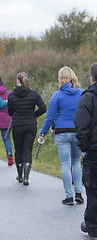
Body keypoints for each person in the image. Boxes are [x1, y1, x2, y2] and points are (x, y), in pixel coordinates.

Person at [39, 66, 83, 205]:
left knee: (65, 163)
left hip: (62, 132)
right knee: (76, 162)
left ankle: (69, 196)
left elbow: (50, 117)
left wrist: (42, 133)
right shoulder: (82, 94)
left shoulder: (57, 95)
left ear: (60, 78)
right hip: (77, 131)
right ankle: (79, 194)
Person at [8, 72, 46, 185]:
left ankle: (19, 175)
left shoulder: (12, 95)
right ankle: (26, 177)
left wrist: (16, 115)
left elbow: (10, 112)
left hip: (17, 125)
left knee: (18, 150)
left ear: (17, 81)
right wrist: (34, 115)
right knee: (27, 150)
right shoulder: (34, 94)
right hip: (30, 125)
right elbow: (43, 108)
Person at [75, 62, 97, 237]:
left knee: (92, 188)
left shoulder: (88, 97)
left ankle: (92, 224)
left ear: (92, 78)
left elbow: (81, 125)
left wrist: (83, 148)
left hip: (94, 150)